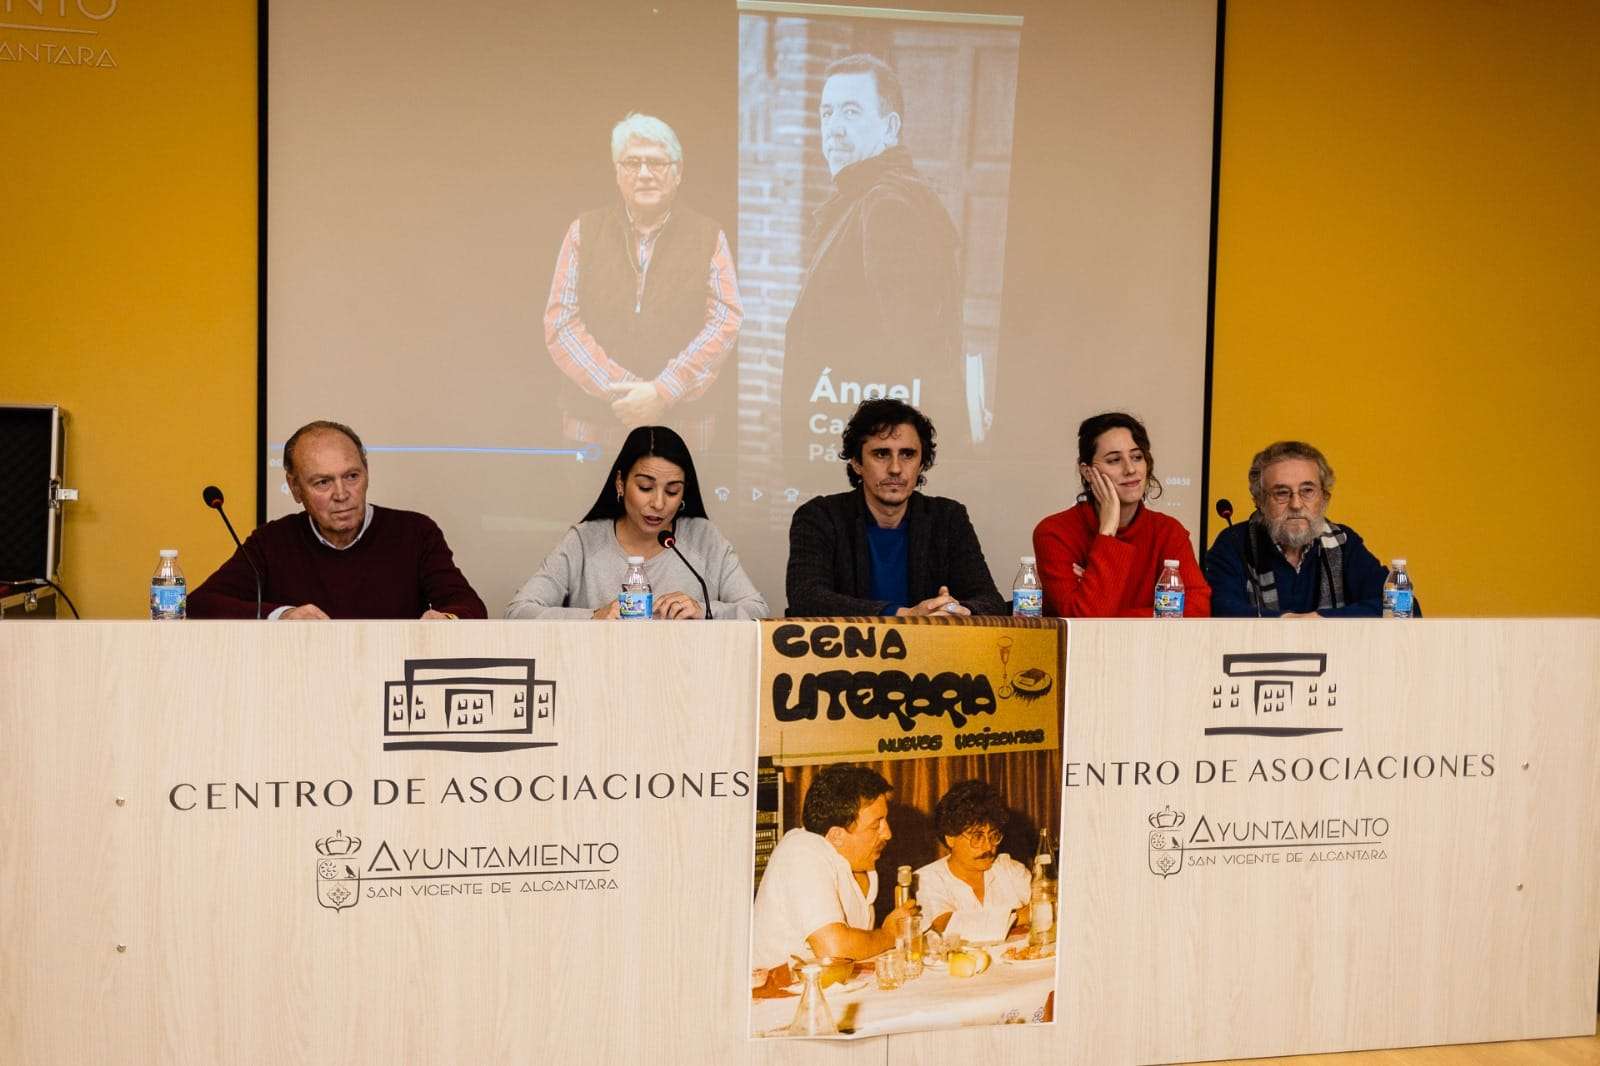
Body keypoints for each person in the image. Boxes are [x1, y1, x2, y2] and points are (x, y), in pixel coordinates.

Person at [783, 53, 967, 466]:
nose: (834, 127)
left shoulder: (887, 206)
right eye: (827, 112)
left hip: (864, 451)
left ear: (890, 128)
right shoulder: (861, 198)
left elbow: (911, 349)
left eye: (851, 111)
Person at [543, 112, 742, 453]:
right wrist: (630, 393)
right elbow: (560, 323)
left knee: (680, 509)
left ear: (677, 173)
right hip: (592, 428)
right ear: (617, 173)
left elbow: (726, 321)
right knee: (594, 509)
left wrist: (662, 392)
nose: (645, 174)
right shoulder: (584, 232)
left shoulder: (708, 236)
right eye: (633, 162)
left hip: (685, 428)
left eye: (658, 163)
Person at [188, 420, 486, 620]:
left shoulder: (415, 533)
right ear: (295, 489)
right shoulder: (272, 542)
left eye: (352, 476)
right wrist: (283, 615)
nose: (342, 494)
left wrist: (448, 618)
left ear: (366, 473)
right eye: (322, 483)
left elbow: (470, 606)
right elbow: (199, 604)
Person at [505, 425, 766, 620]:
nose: (659, 503)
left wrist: (705, 611)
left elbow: (759, 612)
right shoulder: (584, 541)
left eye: (673, 491)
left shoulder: (704, 538)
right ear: (620, 483)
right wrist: (593, 617)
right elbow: (518, 612)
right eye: (645, 487)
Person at [785, 398, 1005, 617]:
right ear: (857, 462)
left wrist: (955, 611)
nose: (896, 468)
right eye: (881, 454)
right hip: (849, 650)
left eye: (907, 454)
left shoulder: (948, 517)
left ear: (922, 464)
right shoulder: (820, 516)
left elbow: (990, 601)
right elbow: (806, 597)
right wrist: (903, 616)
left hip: (931, 649)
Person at [1031, 412, 1211, 617]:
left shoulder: (1169, 531)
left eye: (1137, 457)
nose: (1130, 469)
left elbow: (1197, 610)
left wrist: (1110, 609)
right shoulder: (1054, 533)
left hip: (1153, 649)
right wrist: (1107, 533)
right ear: (1087, 472)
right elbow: (1083, 622)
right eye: (1114, 460)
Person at [750, 764, 917, 971]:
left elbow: (858, 949)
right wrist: (889, 934)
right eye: (876, 825)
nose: (887, 833)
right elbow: (834, 949)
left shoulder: (862, 864)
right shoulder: (801, 851)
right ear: (836, 835)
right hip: (778, 996)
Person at [1205, 440, 1391, 617]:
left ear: (1325, 498)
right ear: (1259, 501)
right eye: (1282, 493)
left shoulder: (1343, 542)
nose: (1296, 504)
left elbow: (1401, 607)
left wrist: (1319, 620)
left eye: (1307, 491)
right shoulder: (1233, 543)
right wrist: (1287, 622)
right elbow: (1219, 611)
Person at [914, 780, 1032, 941]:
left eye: (993, 835)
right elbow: (945, 925)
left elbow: (1049, 905)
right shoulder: (926, 879)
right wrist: (1018, 916)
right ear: (950, 838)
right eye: (977, 836)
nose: (988, 846)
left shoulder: (1009, 869)